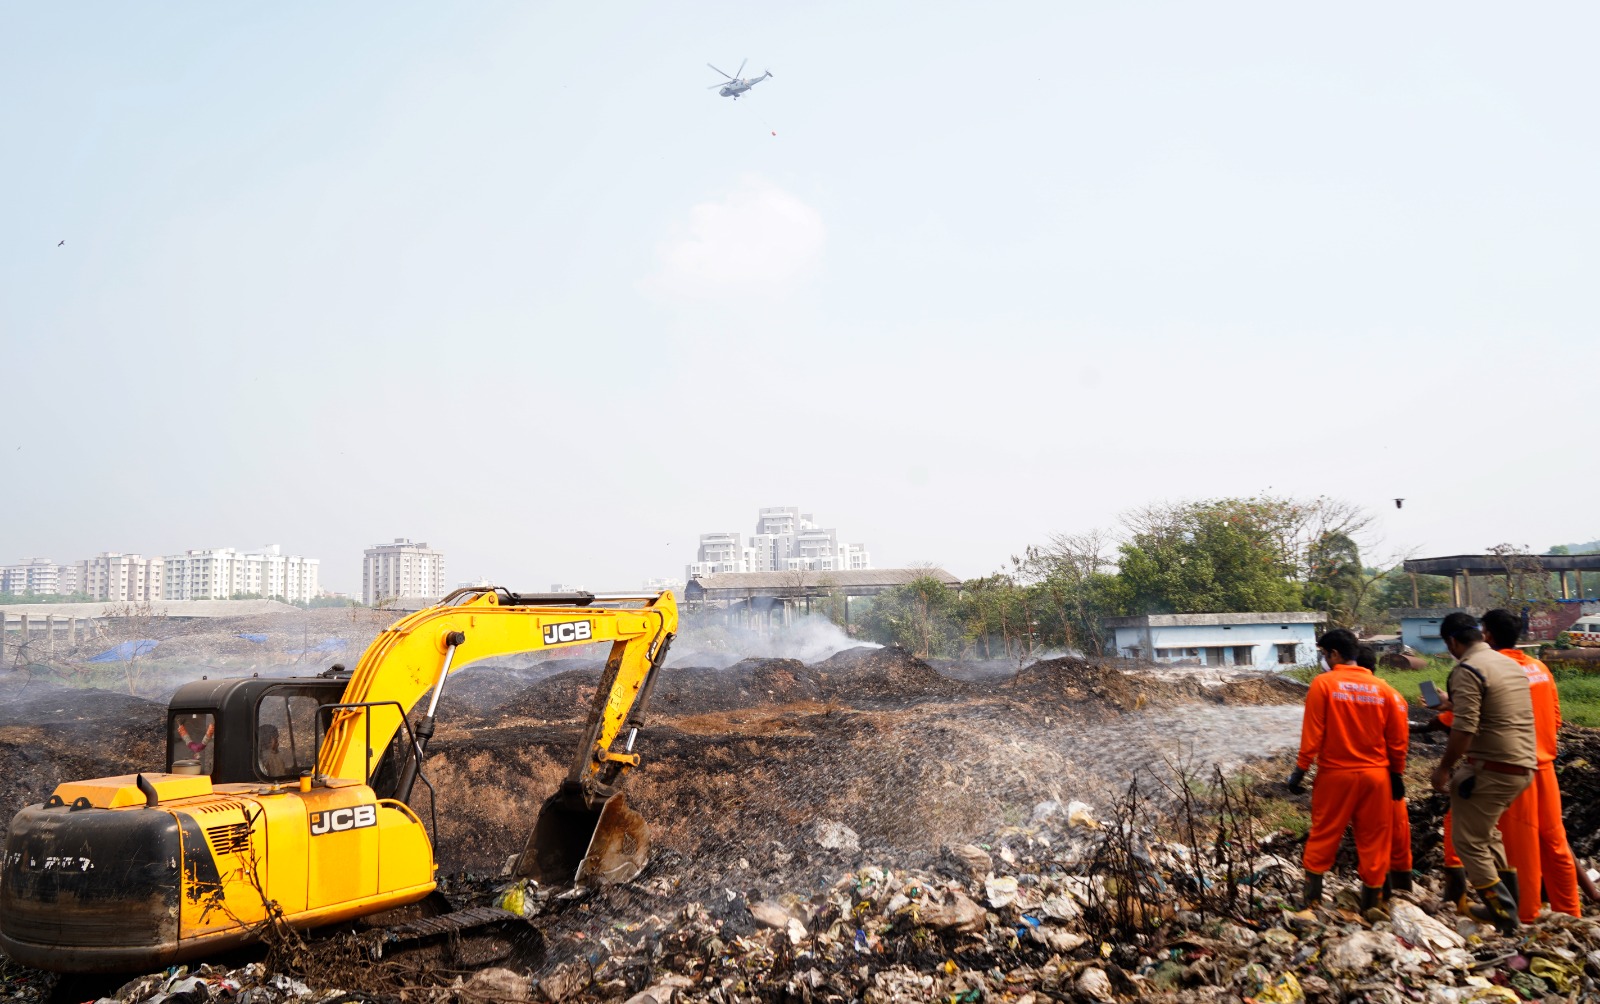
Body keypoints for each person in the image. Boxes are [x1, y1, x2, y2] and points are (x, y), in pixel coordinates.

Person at [1430, 611, 1537, 934]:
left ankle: (1502, 913)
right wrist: (1452, 702)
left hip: (1491, 768)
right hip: (1522, 766)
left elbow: (1464, 730)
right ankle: (1508, 906)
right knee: (1488, 834)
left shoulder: (1467, 669)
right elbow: (1495, 706)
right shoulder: (1507, 663)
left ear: (1453, 642)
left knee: (1468, 842)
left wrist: (1444, 768)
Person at [1289, 628, 1408, 912]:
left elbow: (1313, 733)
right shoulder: (1385, 690)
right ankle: (1372, 906)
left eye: (1324, 654)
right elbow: (1398, 740)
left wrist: (1300, 771)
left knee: (1324, 834)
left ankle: (1312, 902)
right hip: (1376, 777)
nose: (1324, 660)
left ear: (1335, 654)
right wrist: (1397, 775)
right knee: (1374, 839)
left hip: (1336, 776)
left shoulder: (1324, 684)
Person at [1481, 608, 1581, 919]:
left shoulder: (1491, 670)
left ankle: (1526, 914)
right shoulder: (1540, 668)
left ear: (1487, 636)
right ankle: (1570, 910)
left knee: (1520, 848)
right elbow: (1556, 719)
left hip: (1512, 770)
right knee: (1554, 841)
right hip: (1545, 767)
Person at [1357, 644, 1415, 895]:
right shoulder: (1392, 695)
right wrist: (1397, 773)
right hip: (1386, 772)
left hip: (1355, 775)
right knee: (1398, 831)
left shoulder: (1334, 691)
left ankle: (1377, 896)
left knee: (1370, 838)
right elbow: (1399, 741)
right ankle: (1402, 893)